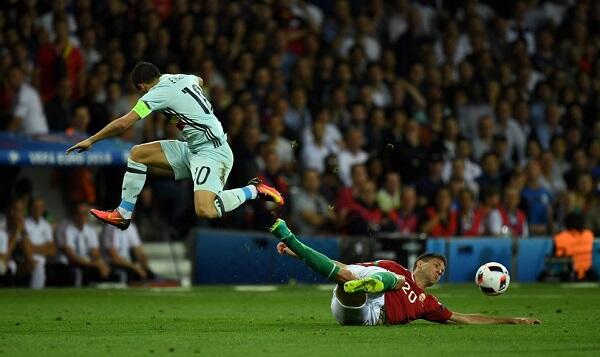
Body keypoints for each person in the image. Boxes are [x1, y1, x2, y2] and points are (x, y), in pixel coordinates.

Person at [66, 62, 284, 230]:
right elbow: (199, 80)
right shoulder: (179, 78)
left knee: (205, 209)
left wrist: (91, 140)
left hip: (212, 152)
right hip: (192, 147)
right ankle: (123, 213)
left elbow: (124, 123)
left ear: (142, 87)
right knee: (137, 153)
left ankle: (253, 190)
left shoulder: (154, 94)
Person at [269, 218, 540, 326]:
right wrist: (297, 254)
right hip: (365, 284)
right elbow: (342, 266)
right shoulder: (393, 265)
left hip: (368, 314)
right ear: (420, 263)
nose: (440, 271)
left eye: (443, 271)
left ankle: (370, 286)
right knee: (358, 277)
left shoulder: (429, 304)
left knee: (375, 283)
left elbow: (465, 318)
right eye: (437, 266)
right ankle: (293, 240)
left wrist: (511, 320)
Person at [58, 203, 110, 286]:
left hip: (86, 262)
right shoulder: (66, 229)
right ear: (74, 215)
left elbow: (95, 253)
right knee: (79, 271)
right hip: (67, 264)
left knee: (103, 267)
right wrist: (94, 264)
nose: (82, 218)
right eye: (80, 215)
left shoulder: (90, 230)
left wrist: (99, 262)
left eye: (85, 215)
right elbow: (71, 257)